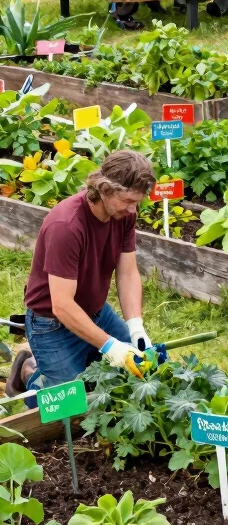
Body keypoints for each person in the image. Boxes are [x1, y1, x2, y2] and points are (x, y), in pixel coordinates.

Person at [5, 150, 157, 397]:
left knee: (146, 369)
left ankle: (86, 356)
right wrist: (110, 346)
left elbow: (128, 273)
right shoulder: (67, 226)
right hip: (51, 323)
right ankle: (28, 369)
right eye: (128, 201)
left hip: (96, 312)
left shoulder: (123, 215)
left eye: (136, 202)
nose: (132, 210)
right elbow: (62, 305)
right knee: (68, 401)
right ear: (105, 188)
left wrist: (136, 327)